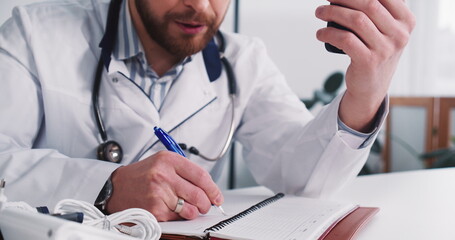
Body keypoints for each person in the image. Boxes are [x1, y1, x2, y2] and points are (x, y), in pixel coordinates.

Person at [0, 0, 414, 222]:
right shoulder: (33, 34)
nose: (200, 4)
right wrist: (105, 187)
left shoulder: (244, 61)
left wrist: (366, 91)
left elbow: (302, 177)